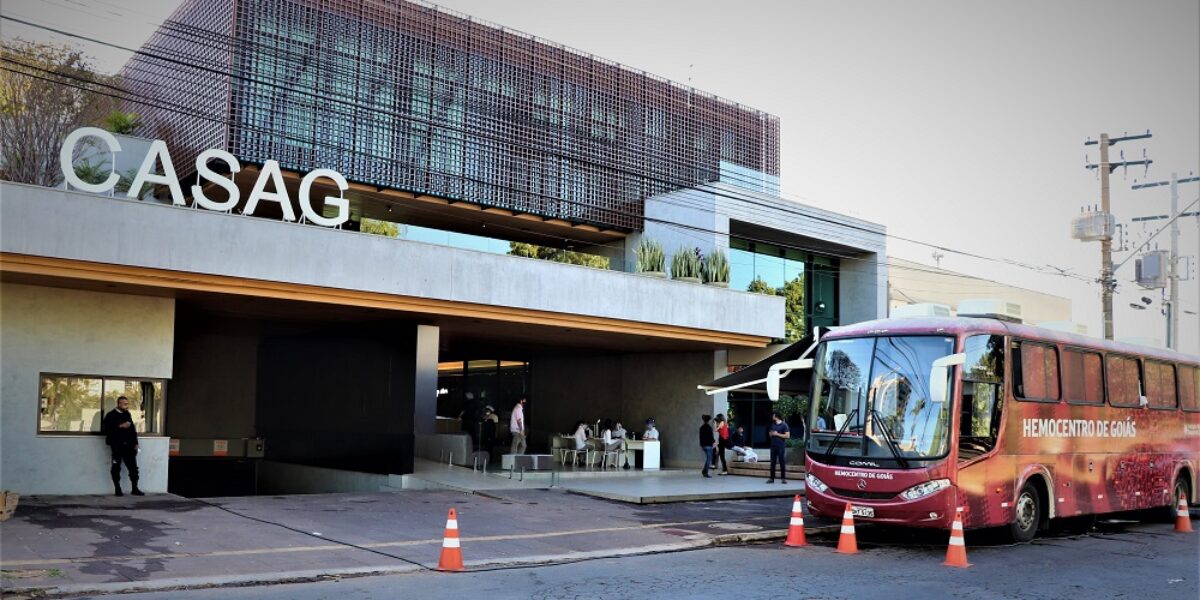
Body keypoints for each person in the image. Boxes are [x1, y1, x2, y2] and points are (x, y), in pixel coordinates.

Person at [103, 395, 143, 496]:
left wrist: (136, 443)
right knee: (116, 467)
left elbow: (132, 430)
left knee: (133, 468)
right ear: (119, 404)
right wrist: (120, 426)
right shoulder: (110, 415)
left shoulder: (127, 414)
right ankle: (117, 489)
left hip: (129, 446)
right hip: (117, 446)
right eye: (124, 404)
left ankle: (135, 488)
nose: (126, 406)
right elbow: (106, 430)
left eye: (127, 404)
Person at [766, 411, 790, 484]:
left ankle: (783, 478)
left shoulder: (784, 425)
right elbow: (770, 434)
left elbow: (787, 436)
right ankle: (771, 478)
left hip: (780, 446)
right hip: (773, 446)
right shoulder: (773, 425)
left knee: (781, 462)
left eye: (773, 415)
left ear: (777, 416)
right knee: (772, 462)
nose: (772, 417)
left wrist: (777, 434)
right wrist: (771, 434)